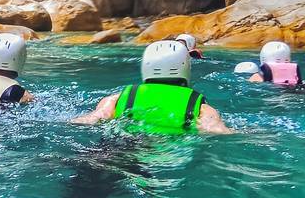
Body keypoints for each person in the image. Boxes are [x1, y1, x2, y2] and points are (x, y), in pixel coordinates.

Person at [72, 40, 231, 134]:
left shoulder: (116, 99)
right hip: (168, 156)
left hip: (120, 148)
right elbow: (217, 131)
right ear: (186, 67)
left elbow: (89, 120)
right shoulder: (201, 108)